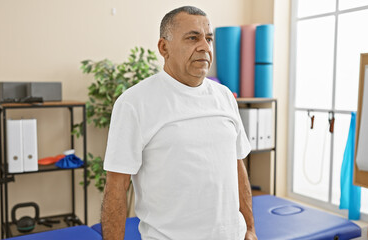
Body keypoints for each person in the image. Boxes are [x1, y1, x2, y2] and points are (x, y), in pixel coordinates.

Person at [101, 6, 257, 240]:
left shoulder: (225, 96)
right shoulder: (134, 103)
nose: (205, 47)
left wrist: (249, 228)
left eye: (209, 38)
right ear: (164, 48)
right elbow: (116, 186)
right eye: (193, 38)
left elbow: (238, 166)